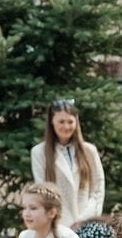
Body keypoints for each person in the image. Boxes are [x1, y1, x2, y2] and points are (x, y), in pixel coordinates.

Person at [31, 97, 106, 228]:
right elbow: (42, 191)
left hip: (86, 223)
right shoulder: (39, 152)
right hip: (57, 225)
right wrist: (61, 223)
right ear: (52, 122)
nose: (66, 126)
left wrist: (84, 219)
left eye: (70, 122)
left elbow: (98, 188)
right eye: (61, 122)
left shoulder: (89, 151)